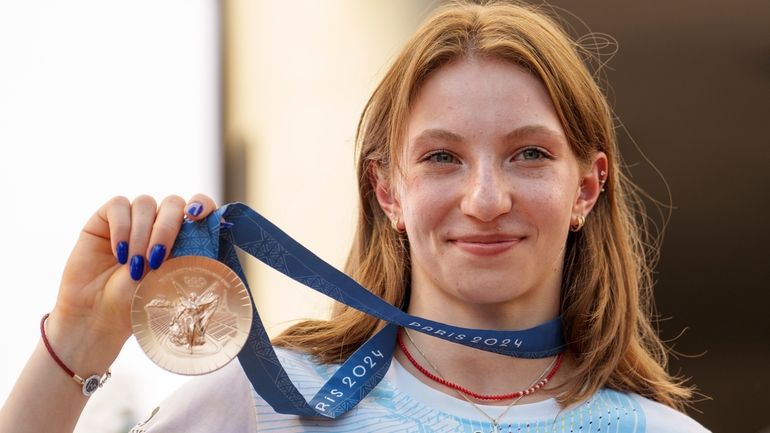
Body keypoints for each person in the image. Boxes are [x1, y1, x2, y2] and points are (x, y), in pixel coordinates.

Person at [0, 1, 709, 432]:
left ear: (587, 187)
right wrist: (75, 344)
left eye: (528, 153)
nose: (487, 199)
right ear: (386, 190)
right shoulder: (264, 404)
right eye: (441, 157)